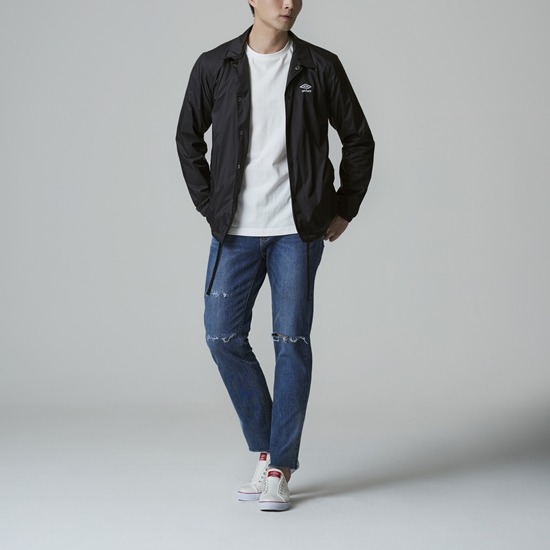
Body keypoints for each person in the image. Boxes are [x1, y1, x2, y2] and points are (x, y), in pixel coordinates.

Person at [175, 0, 375, 512]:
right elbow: (187, 137)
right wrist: (210, 204)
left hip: (296, 232)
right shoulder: (215, 65)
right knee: (221, 336)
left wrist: (345, 208)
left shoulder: (319, 65)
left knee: (291, 341)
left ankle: (280, 467)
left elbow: (358, 139)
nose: (288, 4)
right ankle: (269, 449)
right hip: (235, 232)